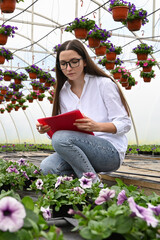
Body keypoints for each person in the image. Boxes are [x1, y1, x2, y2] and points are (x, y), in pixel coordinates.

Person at [36, 39, 131, 182]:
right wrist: (47, 129)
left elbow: (125, 123)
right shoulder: (63, 92)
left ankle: (92, 185)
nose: (69, 68)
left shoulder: (103, 84)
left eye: (74, 62)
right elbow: (60, 135)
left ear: (85, 61)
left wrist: (96, 126)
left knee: (60, 138)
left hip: (109, 152)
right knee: (47, 167)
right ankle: (81, 185)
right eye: (63, 64)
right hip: (80, 150)